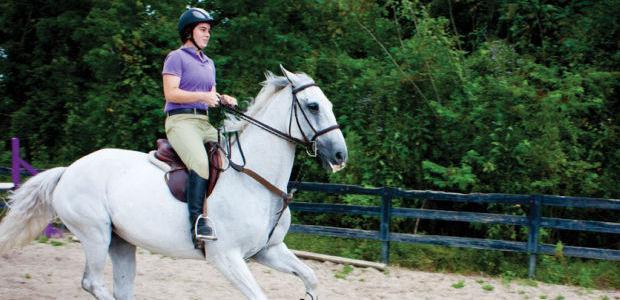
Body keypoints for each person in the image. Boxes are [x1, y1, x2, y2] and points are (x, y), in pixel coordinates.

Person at [162, 7, 237, 248]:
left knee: (233, 155)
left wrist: (222, 98)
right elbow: (170, 92)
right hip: (180, 121)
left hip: (204, 122)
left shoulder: (209, 63)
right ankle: (197, 223)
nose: (207, 34)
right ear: (189, 32)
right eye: (203, 30)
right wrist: (203, 97)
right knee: (200, 162)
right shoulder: (176, 57)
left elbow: (210, 94)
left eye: (209, 31)